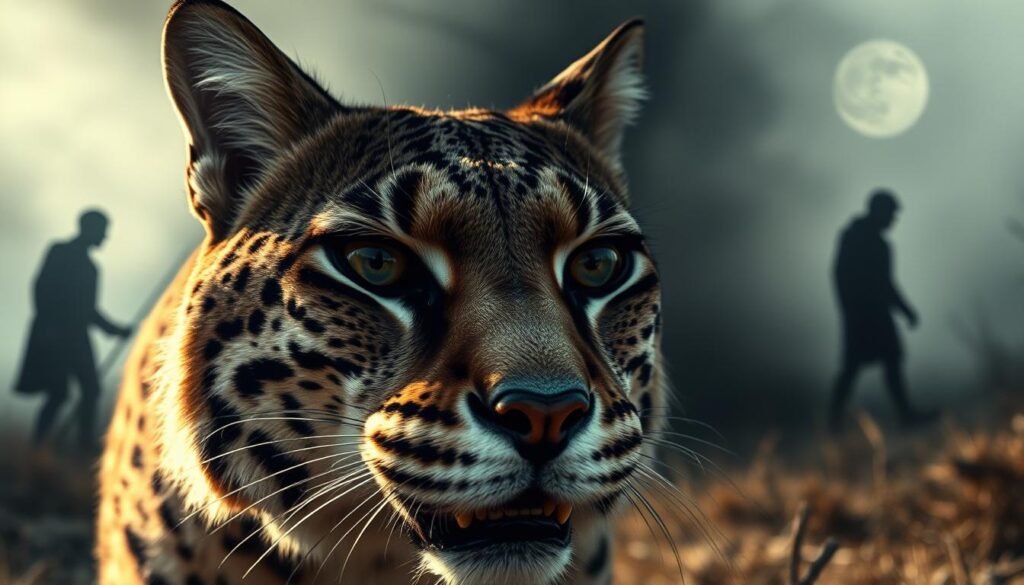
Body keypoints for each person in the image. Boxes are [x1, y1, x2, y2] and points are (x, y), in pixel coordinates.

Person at [14, 210, 131, 451]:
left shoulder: (91, 268)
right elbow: (41, 288)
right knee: (59, 392)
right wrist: (48, 326)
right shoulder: (60, 252)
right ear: (89, 229)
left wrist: (116, 329)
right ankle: (40, 446)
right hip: (56, 334)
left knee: (90, 388)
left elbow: (88, 310)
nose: (105, 237)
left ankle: (81, 447)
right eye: (102, 231)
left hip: (76, 337)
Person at [830, 189, 936, 431]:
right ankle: (833, 422)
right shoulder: (857, 239)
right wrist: (902, 310)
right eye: (891, 214)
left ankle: (904, 414)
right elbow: (846, 277)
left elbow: (885, 283)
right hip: (863, 314)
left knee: (888, 360)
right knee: (854, 367)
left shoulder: (873, 242)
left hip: (873, 313)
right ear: (879, 212)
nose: (893, 220)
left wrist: (904, 310)